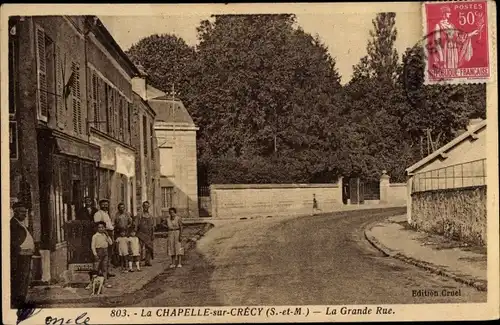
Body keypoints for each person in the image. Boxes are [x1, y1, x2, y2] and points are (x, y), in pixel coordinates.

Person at [10, 201, 35, 309]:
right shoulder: (13, 224)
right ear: (15, 212)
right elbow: (12, 241)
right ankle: (18, 302)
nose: (24, 214)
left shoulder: (21, 223)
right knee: (20, 278)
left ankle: (22, 300)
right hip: (20, 256)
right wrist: (19, 249)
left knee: (25, 278)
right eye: (22, 212)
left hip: (26, 255)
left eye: (25, 212)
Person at [93, 199, 115, 277]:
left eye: (106, 204)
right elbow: (98, 226)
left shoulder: (106, 213)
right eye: (103, 204)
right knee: (102, 254)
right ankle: (100, 272)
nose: (105, 206)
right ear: (100, 205)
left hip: (110, 233)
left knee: (109, 254)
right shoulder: (98, 214)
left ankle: (107, 271)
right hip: (104, 234)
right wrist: (105, 234)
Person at [91, 221, 113, 288]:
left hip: (105, 252)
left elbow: (111, 243)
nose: (101, 229)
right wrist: (95, 254)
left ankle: (105, 282)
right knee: (96, 268)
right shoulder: (95, 236)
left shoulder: (105, 235)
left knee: (104, 268)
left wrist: (107, 235)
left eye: (102, 227)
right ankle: (92, 283)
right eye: (99, 227)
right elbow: (92, 246)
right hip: (98, 252)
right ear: (97, 228)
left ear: (104, 228)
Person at [134, 201, 155, 267]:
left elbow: (152, 226)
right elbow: (136, 224)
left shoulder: (151, 216)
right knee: (140, 248)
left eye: (147, 206)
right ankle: (139, 262)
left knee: (148, 248)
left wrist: (153, 234)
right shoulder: (139, 215)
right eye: (144, 206)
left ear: (149, 207)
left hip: (148, 234)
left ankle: (147, 261)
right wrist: (135, 232)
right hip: (140, 234)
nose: (146, 207)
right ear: (143, 206)